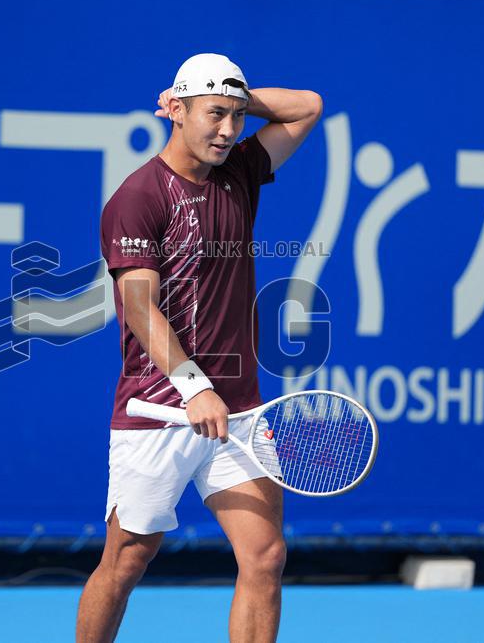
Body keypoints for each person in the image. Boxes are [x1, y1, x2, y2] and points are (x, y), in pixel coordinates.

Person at [77, 53, 323, 643]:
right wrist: (194, 386)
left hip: (237, 410)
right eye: (215, 114)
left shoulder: (239, 171)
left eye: (237, 117)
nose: (229, 130)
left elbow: (308, 106)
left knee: (264, 557)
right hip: (159, 408)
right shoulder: (137, 197)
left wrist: (234, 96)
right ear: (176, 111)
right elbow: (138, 307)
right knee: (126, 562)